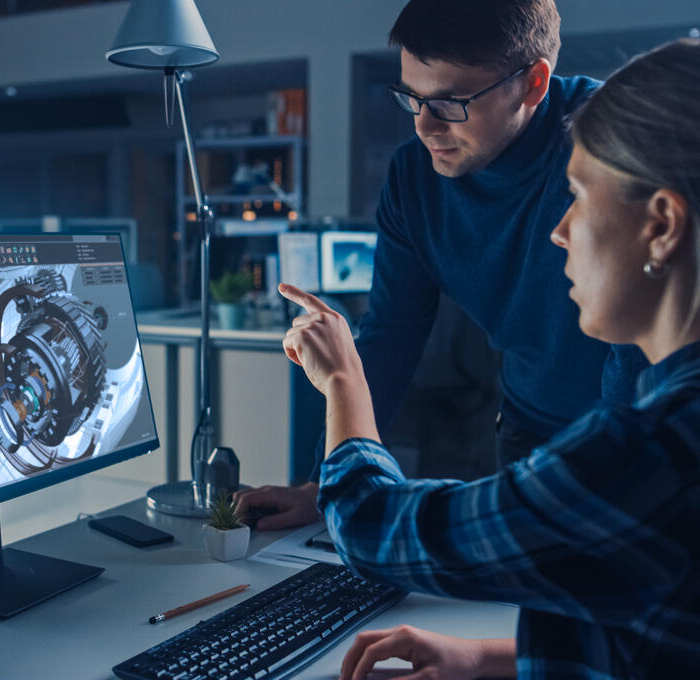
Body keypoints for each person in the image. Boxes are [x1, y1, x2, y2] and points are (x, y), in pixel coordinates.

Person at [282, 38, 700, 679]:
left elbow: (374, 527)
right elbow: (656, 634)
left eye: (580, 197)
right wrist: (487, 659)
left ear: (664, 225)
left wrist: (341, 378)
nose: (559, 231)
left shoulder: (650, 456)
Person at [236, 0, 649, 532]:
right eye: (412, 98)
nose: (425, 127)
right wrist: (322, 483)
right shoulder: (414, 181)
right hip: (529, 427)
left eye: (451, 103)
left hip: (636, 428)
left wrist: (625, 482)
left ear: (533, 84)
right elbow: (391, 334)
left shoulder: (612, 148)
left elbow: (640, 344)